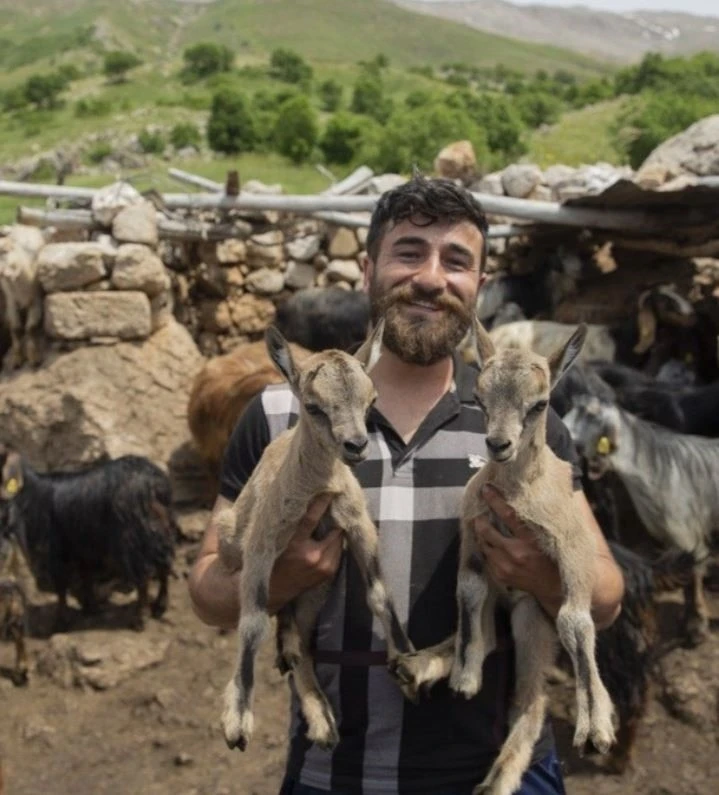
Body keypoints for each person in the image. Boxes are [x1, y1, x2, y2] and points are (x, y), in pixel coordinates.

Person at [188, 175, 624, 795]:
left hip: (499, 775)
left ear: (478, 285)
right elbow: (207, 588)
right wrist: (281, 575)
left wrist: (544, 575)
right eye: (410, 252)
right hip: (333, 776)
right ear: (368, 269)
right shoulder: (278, 415)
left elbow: (605, 594)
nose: (431, 278)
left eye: (457, 261)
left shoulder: (523, 417)